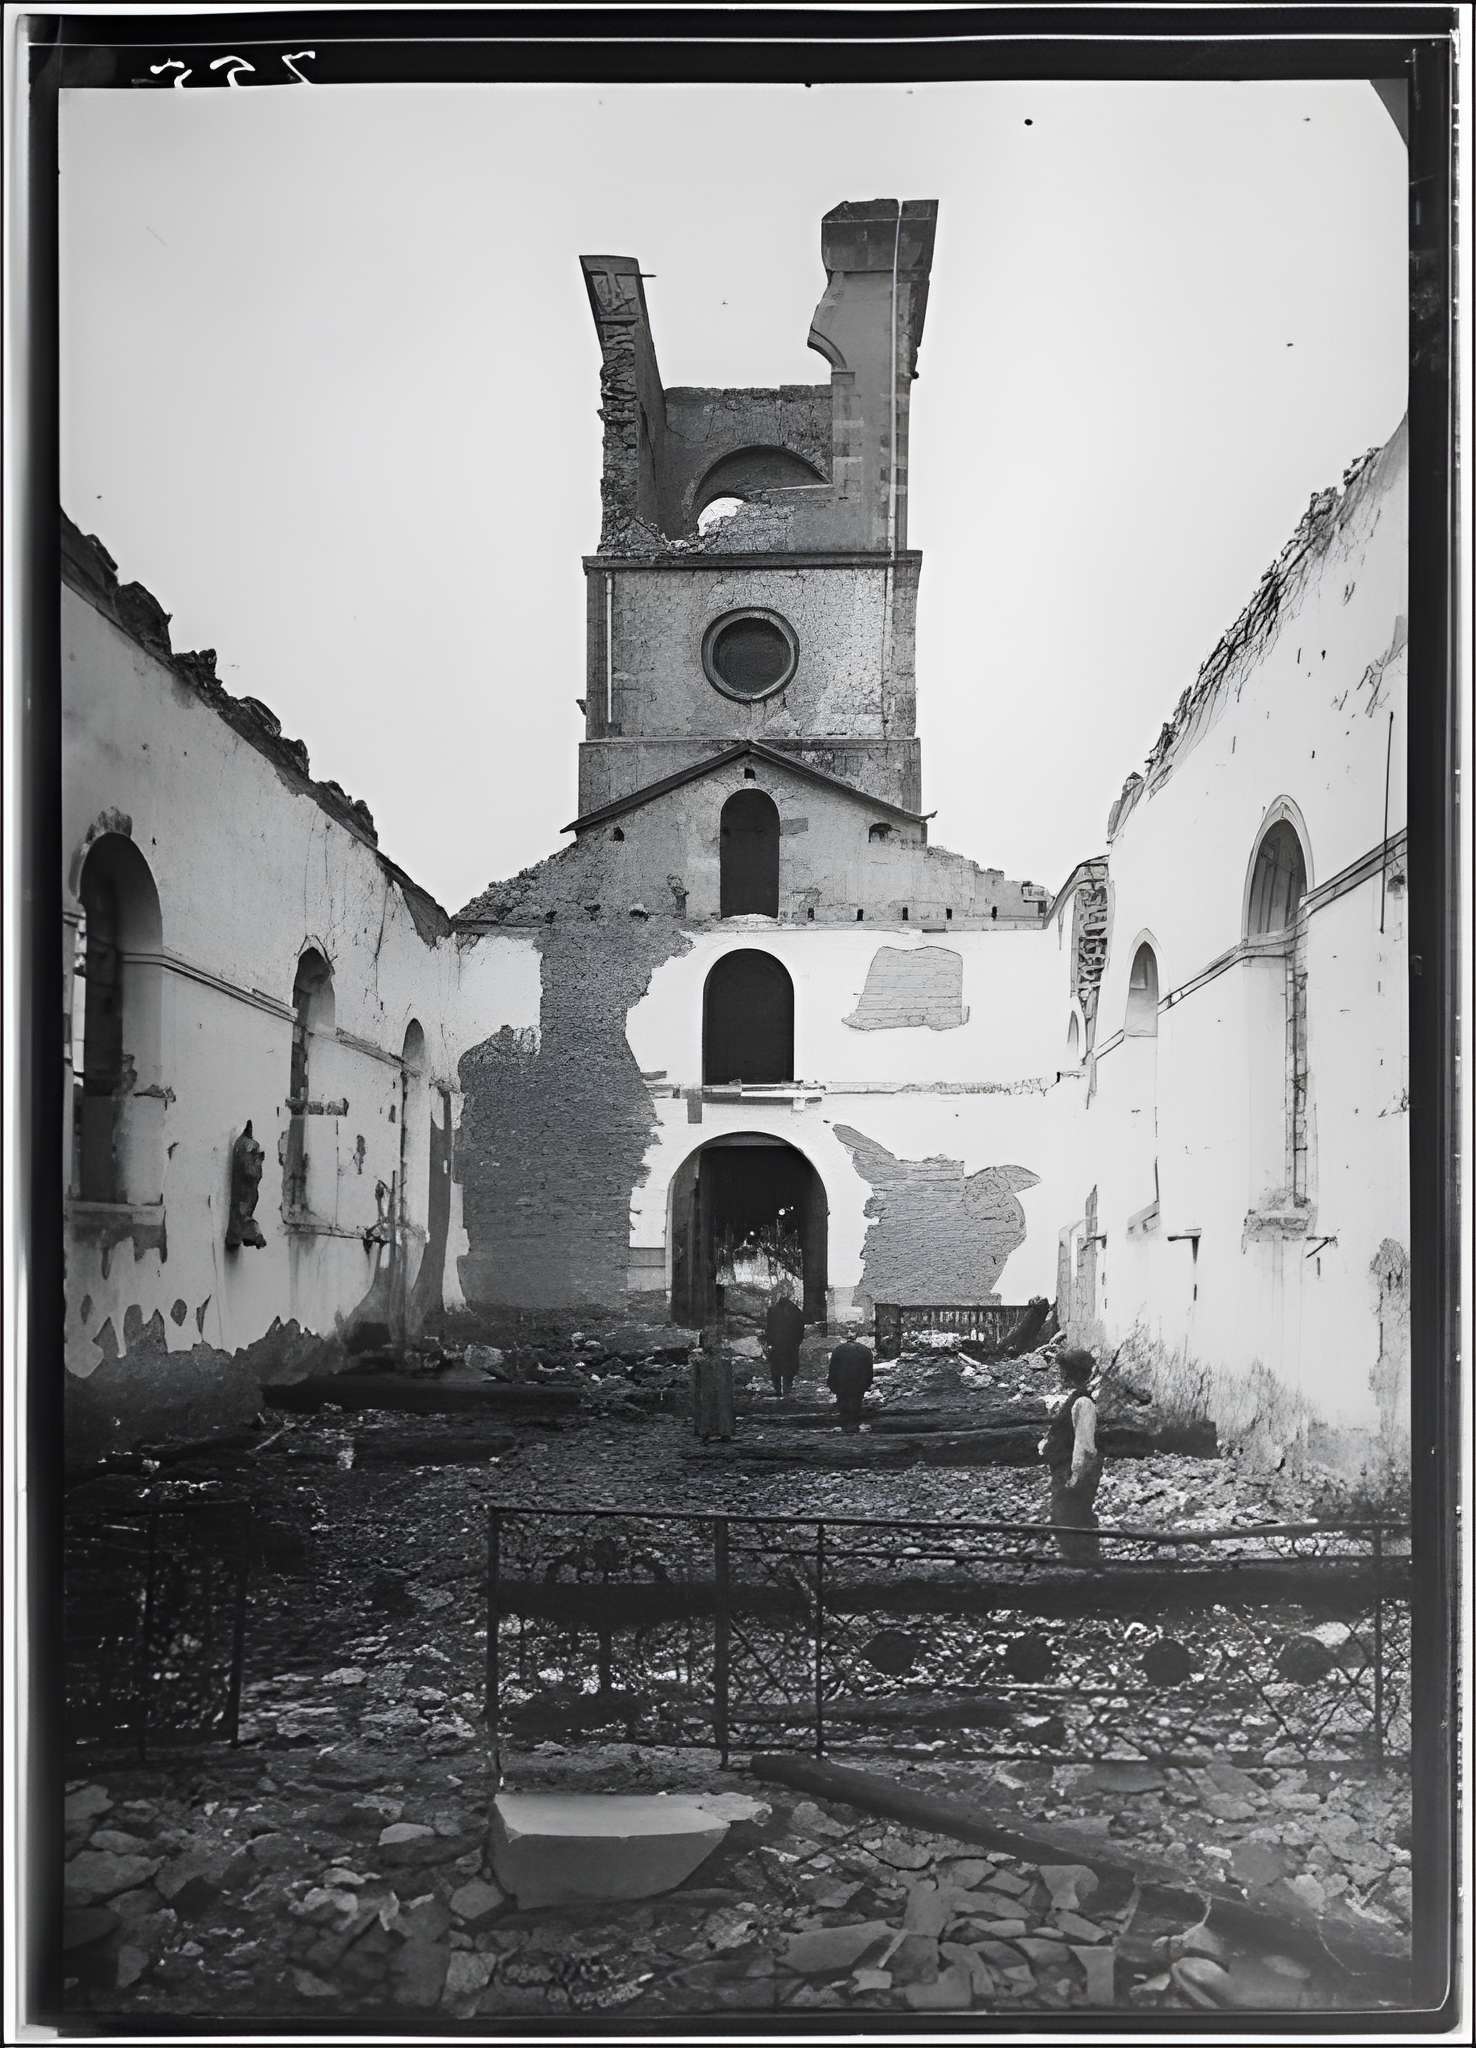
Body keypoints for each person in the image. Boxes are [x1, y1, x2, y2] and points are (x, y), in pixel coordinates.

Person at [1038, 1347, 1104, 1563]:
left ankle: (1084, 1563)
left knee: (1072, 1517)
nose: (1061, 1375)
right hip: (1063, 1468)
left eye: (1064, 1371)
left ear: (1072, 1373)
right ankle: (1077, 1562)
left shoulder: (1084, 1403)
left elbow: (1084, 1445)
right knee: (1064, 1517)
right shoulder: (1075, 1399)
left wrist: (1075, 1477)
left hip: (1072, 1471)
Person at [763, 1284, 806, 1399]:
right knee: (790, 1367)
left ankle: (778, 1389)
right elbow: (801, 1329)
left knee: (776, 1368)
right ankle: (787, 1388)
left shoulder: (772, 1310)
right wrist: (797, 1342)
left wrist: (769, 1342)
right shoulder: (796, 1311)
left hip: (777, 1345)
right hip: (791, 1345)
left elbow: (769, 1329)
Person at [827, 1333, 874, 1432]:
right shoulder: (865, 1350)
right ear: (856, 1338)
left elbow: (833, 1368)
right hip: (858, 1380)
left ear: (845, 1338)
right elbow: (869, 1368)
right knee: (856, 1401)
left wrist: (832, 1383)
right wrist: (868, 1382)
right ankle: (854, 1422)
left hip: (842, 1380)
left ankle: (845, 1422)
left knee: (843, 1400)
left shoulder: (838, 1350)